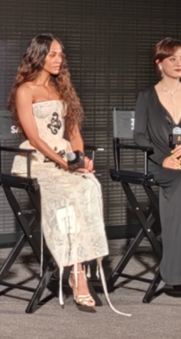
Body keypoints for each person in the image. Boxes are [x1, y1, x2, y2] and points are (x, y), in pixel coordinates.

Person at [7, 33, 124, 314]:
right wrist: (63, 162)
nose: (59, 59)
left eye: (61, 54)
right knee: (66, 195)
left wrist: (80, 159)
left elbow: (74, 134)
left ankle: (78, 267)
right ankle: (77, 274)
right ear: (38, 56)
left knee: (89, 187)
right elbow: (35, 138)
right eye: (53, 54)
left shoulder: (62, 89)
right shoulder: (25, 90)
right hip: (36, 159)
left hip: (65, 156)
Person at [133, 38, 181, 309]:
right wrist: (162, 158)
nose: (179, 64)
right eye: (172, 59)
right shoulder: (146, 96)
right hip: (160, 164)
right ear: (159, 63)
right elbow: (139, 136)